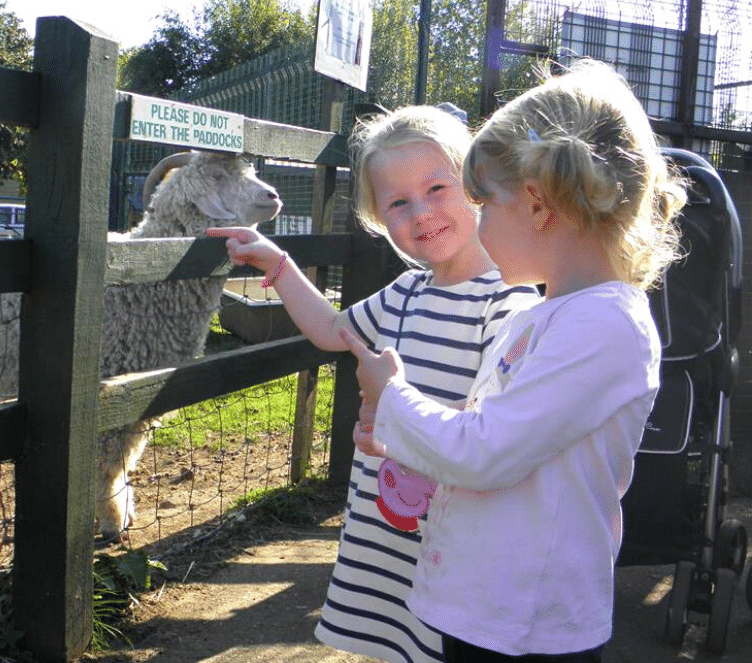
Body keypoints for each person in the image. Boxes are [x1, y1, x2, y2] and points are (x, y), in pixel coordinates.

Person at [342, 59, 687, 662]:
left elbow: (484, 451)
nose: (476, 220)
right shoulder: (545, 315)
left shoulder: (604, 326)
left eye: (485, 202)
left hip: (527, 625)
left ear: (538, 206)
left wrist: (394, 399)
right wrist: (401, 436)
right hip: (487, 607)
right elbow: (485, 432)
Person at [209, 103, 541, 662]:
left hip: (452, 536)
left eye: (438, 187)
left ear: (475, 184)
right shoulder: (406, 292)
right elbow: (333, 330)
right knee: (394, 638)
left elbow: (500, 432)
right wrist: (277, 262)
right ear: (379, 220)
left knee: (440, 641)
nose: (422, 213)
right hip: (386, 529)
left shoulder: (507, 302)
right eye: (398, 203)